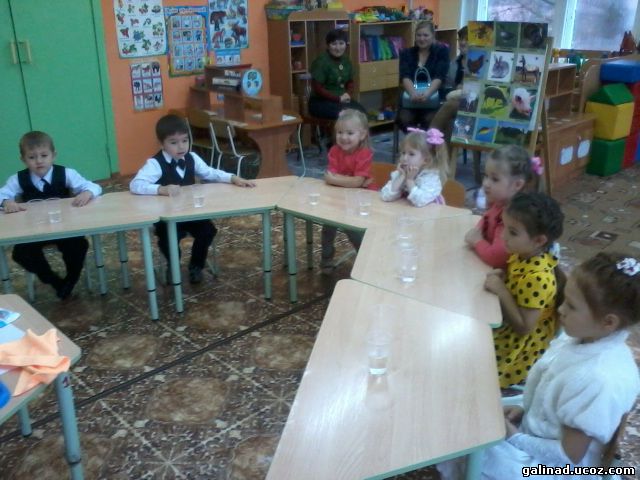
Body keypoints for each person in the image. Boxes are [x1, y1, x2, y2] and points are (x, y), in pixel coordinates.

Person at [440, 252, 640, 479]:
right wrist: (526, 411)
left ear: (608, 322)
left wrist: (515, 437)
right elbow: (552, 396)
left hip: (556, 467)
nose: (560, 309)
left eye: (571, 306)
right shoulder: (581, 338)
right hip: (539, 435)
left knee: (468, 440)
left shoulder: (596, 378)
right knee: (465, 414)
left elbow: (568, 456)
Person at [129, 114, 255, 284]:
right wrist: (160, 189)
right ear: (162, 144)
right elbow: (135, 184)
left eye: (185, 140)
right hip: (167, 217)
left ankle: (196, 265)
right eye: (173, 143)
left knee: (208, 231)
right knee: (168, 239)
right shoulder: (155, 163)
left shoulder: (192, 158)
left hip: (190, 213)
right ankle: (172, 265)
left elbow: (210, 173)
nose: (181, 146)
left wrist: (232, 178)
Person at [0, 131, 102, 299]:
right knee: (21, 253)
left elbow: (93, 186)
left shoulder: (66, 173)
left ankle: (70, 280)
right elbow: (2, 194)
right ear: (23, 159)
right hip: (34, 230)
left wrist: (87, 192)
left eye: (44, 155)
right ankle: (54, 281)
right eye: (32, 157)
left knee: (78, 246)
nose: (39, 161)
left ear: (53, 155)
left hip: (64, 227)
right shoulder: (18, 179)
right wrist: (6, 202)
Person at [484, 192, 565, 389]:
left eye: (512, 232)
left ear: (539, 241)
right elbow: (518, 287)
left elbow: (523, 328)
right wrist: (505, 279)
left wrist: (502, 291)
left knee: (470, 356)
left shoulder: (538, 277)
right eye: (505, 227)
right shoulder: (523, 253)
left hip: (517, 347)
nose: (503, 236)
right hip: (507, 321)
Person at [464, 145, 540, 269]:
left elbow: (496, 258)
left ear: (517, 185)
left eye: (495, 179)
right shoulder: (499, 201)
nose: (486, 183)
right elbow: (486, 219)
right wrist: (478, 232)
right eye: (486, 176)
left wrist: (477, 241)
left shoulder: (512, 217)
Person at [321, 109, 372, 274]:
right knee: (328, 229)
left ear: (362, 135)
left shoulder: (364, 153)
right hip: (337, 199)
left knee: (354, 232)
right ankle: (326, 260)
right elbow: (332, 177)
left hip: (358, 202)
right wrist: (350, 181)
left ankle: (365, 262)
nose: (344, 137)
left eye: (350, 133)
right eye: (340, 132)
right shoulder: (334, 151)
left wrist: (338, 180)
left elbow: (357, 181)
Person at [397, 20, 450, 132]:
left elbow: (439, 76)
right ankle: (415, 141)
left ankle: (426, 142)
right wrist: (413, 93)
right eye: (419, 35)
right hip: (411, 98)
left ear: (433, 36)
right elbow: (405, 76)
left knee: (430, 120)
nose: (422, 39)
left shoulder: (442, 52)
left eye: (426, 35)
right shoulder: (406, 53)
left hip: (433, 98)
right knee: (404, 119)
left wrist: (427, 94)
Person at [380, 127, 449, 206]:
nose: (404, 158)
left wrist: (409, 180)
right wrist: (402, 176)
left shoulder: (430, 178)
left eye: (411, 154)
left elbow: (419, 201)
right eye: (403, 153)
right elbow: (385, 196)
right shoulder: (401, 173)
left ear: (426, 160)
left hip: (427, 212)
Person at [308, 28, 365, 120]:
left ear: (346, 44)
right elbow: (318, 88)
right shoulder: (321, 61)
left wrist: (348, 94)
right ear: (328, 45)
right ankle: (340, 130)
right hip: (320, 102)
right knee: (345, 115)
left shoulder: (346, 60)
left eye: (341, 43)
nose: (338, 48)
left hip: (341, 100)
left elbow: (350, 82)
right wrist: (338, 98)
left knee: (361, 112)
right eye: (334, 44)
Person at [430, 26, 468, 145]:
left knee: (450, 105)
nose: (462, 43)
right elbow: (447, 87)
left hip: (473, 104)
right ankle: (444, 154)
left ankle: (428, 142)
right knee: (450, 124)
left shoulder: (482, 63)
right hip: (457, 104)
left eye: (467, 39)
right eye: (460, 39)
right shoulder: (454, 63)